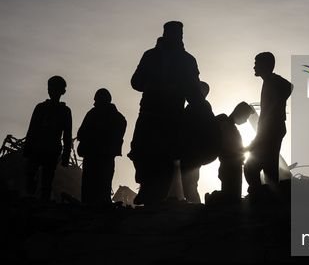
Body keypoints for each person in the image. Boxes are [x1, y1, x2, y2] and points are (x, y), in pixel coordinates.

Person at [129, 21, 205, 205]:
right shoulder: (150, 56)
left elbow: (194, 89)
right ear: (165, 34)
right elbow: (135, 80)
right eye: (173, 33)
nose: (177, 36)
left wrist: (180, 91)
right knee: (138, 149)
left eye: (179, 33)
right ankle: (145, 185)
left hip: (172, 114)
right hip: (149, 110)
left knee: (168, 156)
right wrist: (145, 85)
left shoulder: (188, 60)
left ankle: (158, 195)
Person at [244, 52, 292, 192]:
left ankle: (261, 194)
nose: (254, 66)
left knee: (252, 166)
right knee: (268, 165)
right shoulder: (270, 81)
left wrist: (276, 106)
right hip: (271, 129)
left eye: (256, 63)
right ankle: (268, 195)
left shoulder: (274, 81)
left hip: (271, 129)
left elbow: (288, 86)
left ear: (265, 65)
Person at [23, 76, 72, 201]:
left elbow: (32, 130)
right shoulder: (64, 111)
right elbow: (67, 136)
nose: (51, 91)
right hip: (48, 149)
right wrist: (66, 155)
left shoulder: (42, 108)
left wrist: (26, 149)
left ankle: (40, 201)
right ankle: (40, 200)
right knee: (45, 179)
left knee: (44, 178)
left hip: (42, 148)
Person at [77, 88, 127, 204]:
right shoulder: (119, 118)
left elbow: (81, 134)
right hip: (107, 157)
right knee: (104, 186)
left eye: (96, 100)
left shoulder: (93, 114)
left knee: (89, 188)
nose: (94, 103)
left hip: (92, 156)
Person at [180, 81, 217, 203]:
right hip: (191, 152)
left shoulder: (201, 108)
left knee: (189, 185)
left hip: (193, 153)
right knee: (188, 185)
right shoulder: (195, 107)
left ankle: (195, 207)